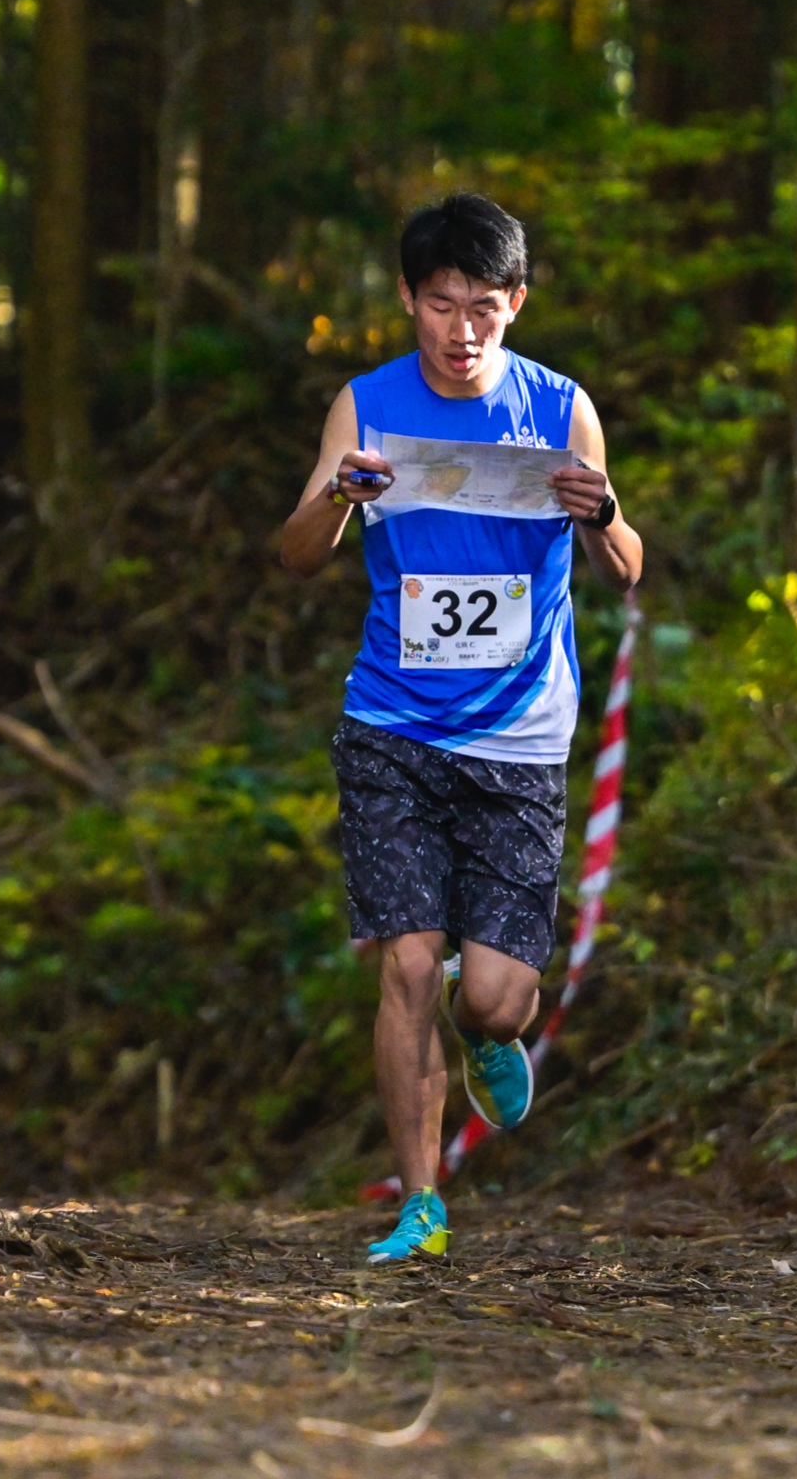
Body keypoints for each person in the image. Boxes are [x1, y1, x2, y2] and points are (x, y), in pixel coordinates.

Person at [279, 193, 642, 1263]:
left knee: (490, 998)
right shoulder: (367, 405)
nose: (462, 330)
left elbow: (627, 569)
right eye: (442, 305)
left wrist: (601, 513)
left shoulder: (560, 408)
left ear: (516, 304)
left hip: (518, 736)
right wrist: (339, 498)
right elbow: (294, 554)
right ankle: (421, 1205)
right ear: (407, 299)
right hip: (391, 722)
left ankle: (489, 1031)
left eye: (484, 307)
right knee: (405, 963)